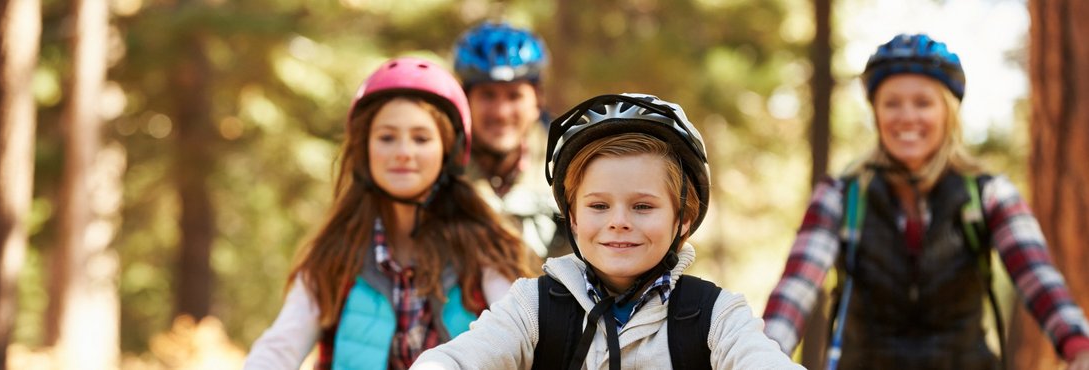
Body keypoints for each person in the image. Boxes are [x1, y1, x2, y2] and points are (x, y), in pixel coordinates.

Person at [762, 34, 1089, 370]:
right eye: (892, 103)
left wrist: (1079, 347)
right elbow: (796, 288)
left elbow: (1039, 278)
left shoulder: (989, 195)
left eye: (922, 103)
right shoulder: (841, 195)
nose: (906, 117)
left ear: (947, 112)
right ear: (876, 113)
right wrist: (762, 353)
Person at [410, 93, 802, 369]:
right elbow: (462, 357)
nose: (619, 221)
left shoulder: (714, 315)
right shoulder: (533, 307)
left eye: (643, 206)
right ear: (574, 218)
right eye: (598, 206)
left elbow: (760, 359)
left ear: (683, 218)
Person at [243, 57, 534, 370]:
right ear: (365, 149)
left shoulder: (484, 246)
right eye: (386, 137)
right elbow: (280, 348)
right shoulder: (334, 253)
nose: (403, 152)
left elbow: (520, 333)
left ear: (447, 151)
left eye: (421, 139)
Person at [452, 21, 567, 259]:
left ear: (537, 100)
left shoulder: (570, 168)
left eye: (514, 96)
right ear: (465, 99)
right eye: (488, 95)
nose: (501, 112)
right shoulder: (438, 169)